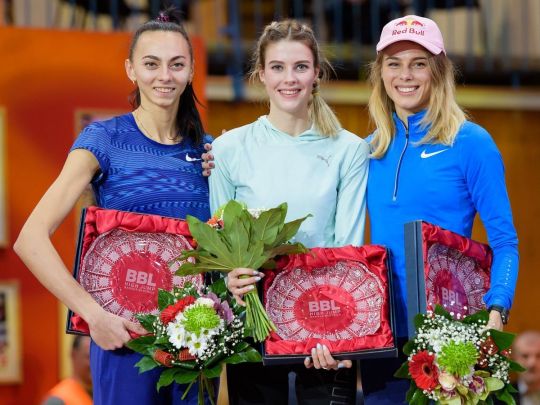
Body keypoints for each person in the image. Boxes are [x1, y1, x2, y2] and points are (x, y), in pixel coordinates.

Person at [14, 7, 211, 404]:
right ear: (130, 70)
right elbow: (29, 239)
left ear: (191, 71)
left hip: (196, 341)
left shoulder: (208, 151)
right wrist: (93, 314)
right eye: (151, 64)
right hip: (123, 339)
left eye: (176, 64)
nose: (164, 75)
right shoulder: (103, 138)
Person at [209, 19, 369, 405]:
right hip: (253, 325)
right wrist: (231, 279)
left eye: (300, 67)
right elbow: (219, 244)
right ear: (261, 74)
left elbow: (348, 248)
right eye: (278, 67)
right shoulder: (228, 149)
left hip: (324, 326)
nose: (289, 79)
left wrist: (334, 327)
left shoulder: (349, 149)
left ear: (317, 74)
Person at [361, 14, 519, 403]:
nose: (405, 75)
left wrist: (497, 309)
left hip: (448, 337)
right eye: (394, 64)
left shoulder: (470, 143)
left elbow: (505, 241)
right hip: (381, 337)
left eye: (419, 63)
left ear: (439, 70)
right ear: (380, 73)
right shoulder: (369, 149)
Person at [41, 336, 93, 405]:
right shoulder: (58, 400)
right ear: (73, 355)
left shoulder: (100, 395)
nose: (96, 364)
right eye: (89, 357)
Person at [511, 330, 540, 404]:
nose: (531, 363)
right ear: (514, 359)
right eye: (525, 356)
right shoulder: (498, 398)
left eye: (539, 356)